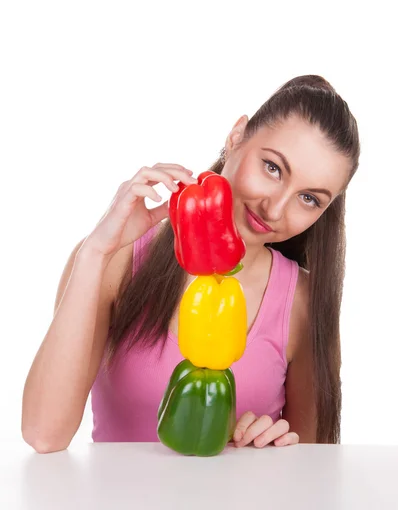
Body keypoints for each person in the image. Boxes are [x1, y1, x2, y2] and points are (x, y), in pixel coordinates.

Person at [22, 75, 360, 453]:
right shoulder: (117, 260)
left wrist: (271, 451)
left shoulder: (302, 301)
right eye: (272, 168)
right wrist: (96, 251)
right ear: (237, 136)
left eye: (310, 199)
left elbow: (312, 472)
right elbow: (44, 435)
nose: (275, 208)